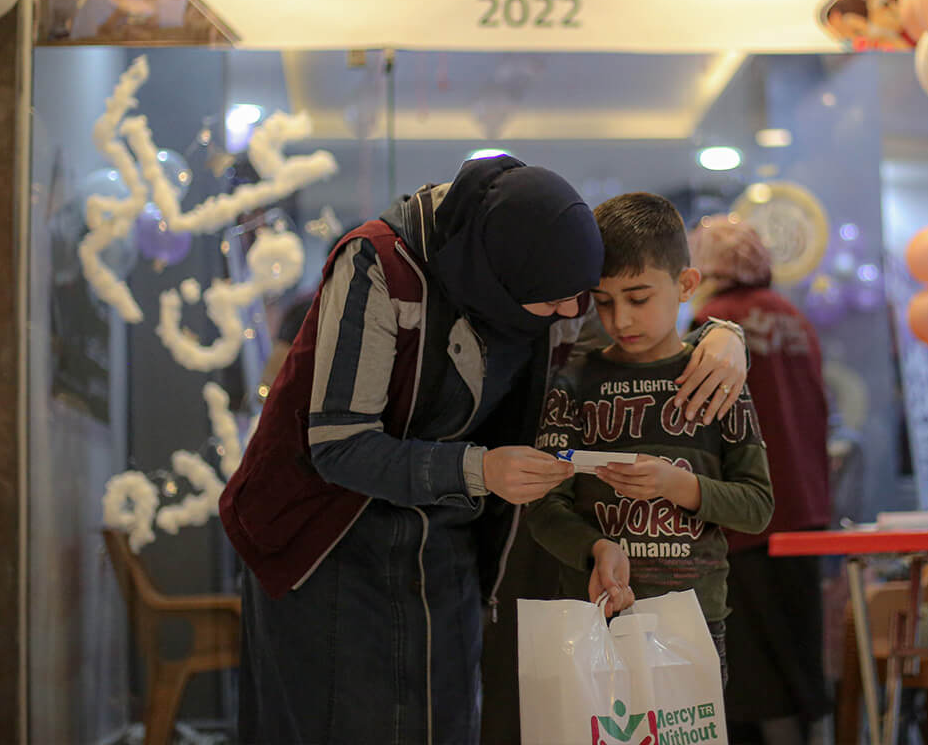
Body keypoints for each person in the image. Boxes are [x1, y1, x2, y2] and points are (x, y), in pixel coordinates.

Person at [218, 157, 748, 745]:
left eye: (581, 298)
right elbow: (339, 444)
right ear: (498, 279)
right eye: (555, 302)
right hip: (328, 543)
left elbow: (634, 335)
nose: (571, 314)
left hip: (446, 545)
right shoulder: (379, 263)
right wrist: (480, 469)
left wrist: (722, 335)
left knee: (447, 722)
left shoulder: (548, 279)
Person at [528, 193, 774, 682]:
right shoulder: (573, 381)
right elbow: (544, 506)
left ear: (686, 284)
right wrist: (595, 548)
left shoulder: (716, 377)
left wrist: (677, 485)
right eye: (603, 302)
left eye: (638, 298)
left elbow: (757, 506)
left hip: (694, 621)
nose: (620, 320)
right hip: (593, 620)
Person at [690, 217, 832, 745]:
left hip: (744, 523)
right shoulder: (795, 318)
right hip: (805, 512)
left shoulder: (711, 326)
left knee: (755, 679)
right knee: (804, 665)